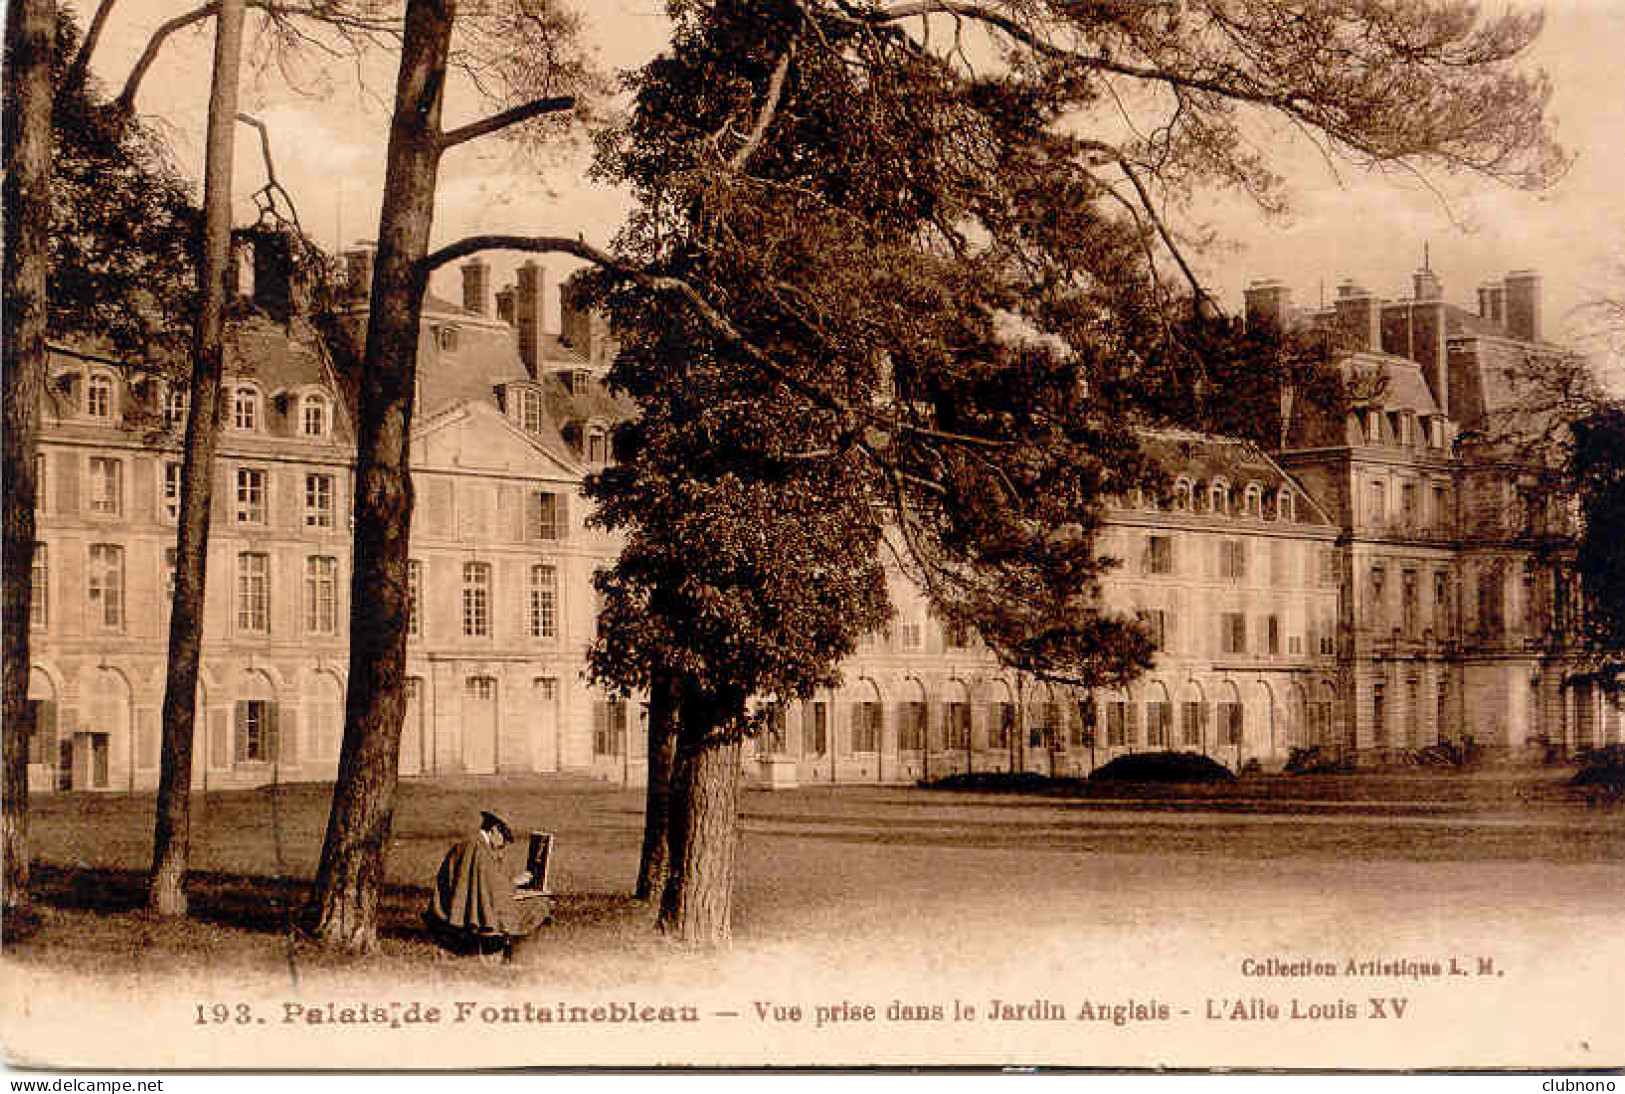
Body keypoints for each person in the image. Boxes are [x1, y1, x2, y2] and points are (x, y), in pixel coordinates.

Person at [424, 810, 552, 960]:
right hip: (456, 911)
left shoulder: (473, 843)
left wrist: (511, 883)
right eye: (505, 838)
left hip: (452, 907)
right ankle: (517, 957)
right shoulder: (478, 849)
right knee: (539, 904)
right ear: (494, 830)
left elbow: (488, 881)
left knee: (530, 903)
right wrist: (515, 883)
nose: (504, 844)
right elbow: (492, 887)